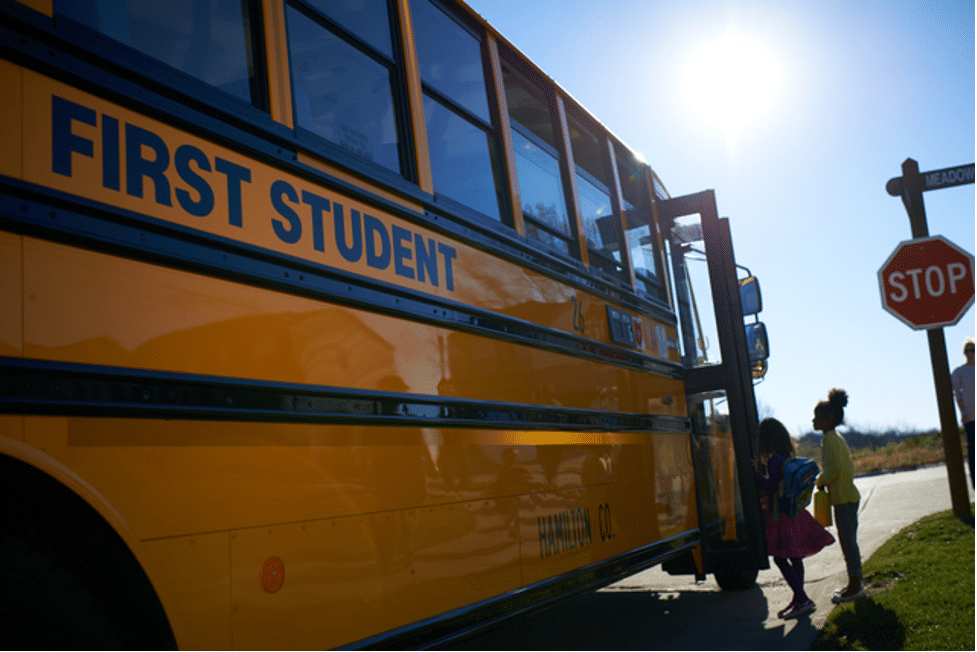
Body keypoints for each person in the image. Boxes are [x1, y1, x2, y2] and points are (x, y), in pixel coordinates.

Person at [754, 418, 835, 619]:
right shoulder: (786, 458)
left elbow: (771, 486)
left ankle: (802, 598)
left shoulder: (773, 461)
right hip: (795, 513)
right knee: (795, 556)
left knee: (781, 559)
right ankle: (799, 599)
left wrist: (754, 473)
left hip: (781, 516)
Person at [813, 388, 864, 603]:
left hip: (843, 499)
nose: (813, 420)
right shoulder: (837, 438)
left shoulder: (829, 440)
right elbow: (847, 469)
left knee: (848, 543)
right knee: (849, 541)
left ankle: (855, 586)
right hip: (848, 497)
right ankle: (854, 582)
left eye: (817, 416)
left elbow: (835, 470)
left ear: (829, 418)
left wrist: (820, 480)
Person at [950, 339, 975, 488]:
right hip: (970, 417)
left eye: (973, 350)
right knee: (973, 450)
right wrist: (963, 413)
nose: (971, 353)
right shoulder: (959, 372)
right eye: (968, 350)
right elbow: (957, 395)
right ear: (964, 353)